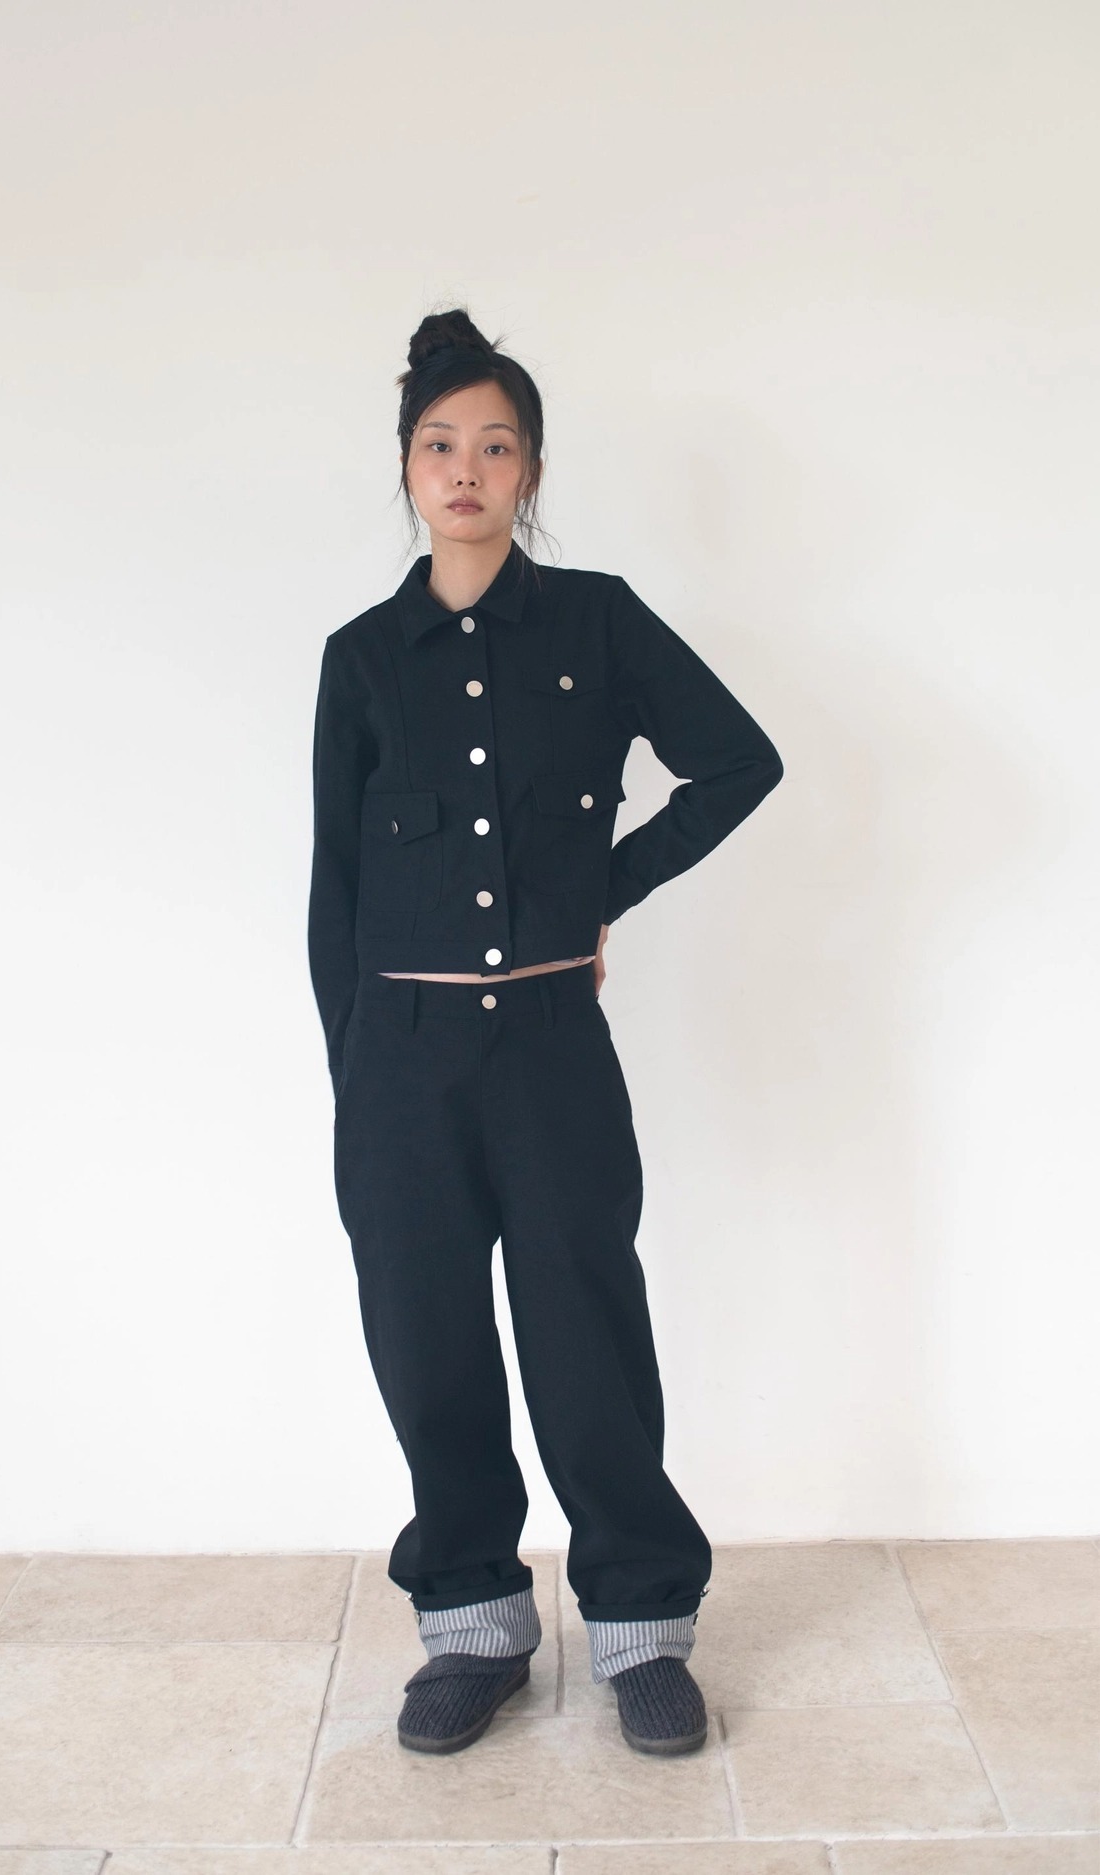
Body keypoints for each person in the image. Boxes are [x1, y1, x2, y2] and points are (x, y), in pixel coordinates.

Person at [307, 306, 783, 1757]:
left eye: (496, 446)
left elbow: (737, 763)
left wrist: (593, 895)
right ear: (406, 467)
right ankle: (472, 1628)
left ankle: (640, 1631)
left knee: (586, 1335)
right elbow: (334, 889)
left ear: (530, 470)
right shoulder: (361, 657)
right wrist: (352, 1077)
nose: (466, 470)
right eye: (439, 444)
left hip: (551, 1048)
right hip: (399, 1057)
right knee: (428, 1340)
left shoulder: (597, 620)